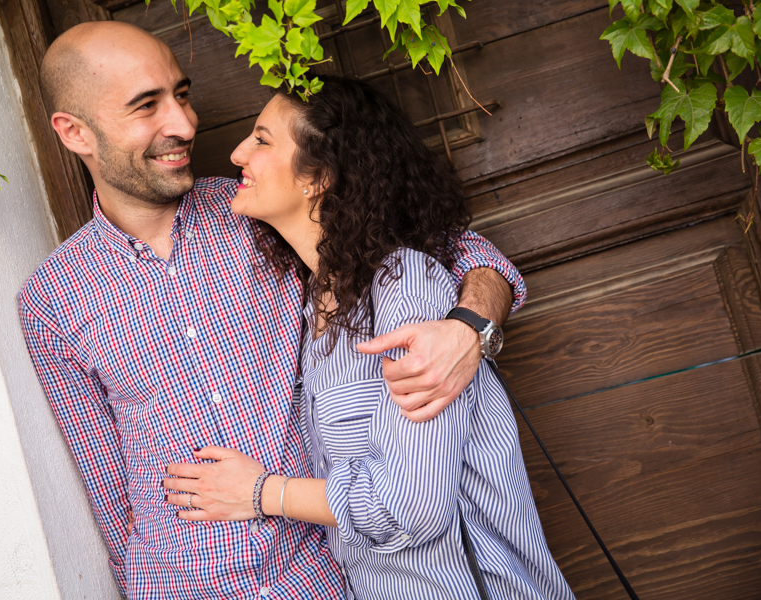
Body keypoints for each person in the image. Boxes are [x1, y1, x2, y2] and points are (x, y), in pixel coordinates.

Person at [18, 21, 526, 600]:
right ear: (75, 132)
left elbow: (453, 251)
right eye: (146, 106)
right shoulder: (52, 298)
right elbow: (112, 498)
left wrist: (470, 326)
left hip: (331, 570)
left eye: (182, 94)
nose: (183, 124)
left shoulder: (257, 207)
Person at [160, 77, 572, 599]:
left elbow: (412, 509)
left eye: (262, 140)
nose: (238, 153)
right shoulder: (313, 307)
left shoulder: (404, 283)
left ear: (320, 177)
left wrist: (263, 492)